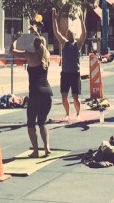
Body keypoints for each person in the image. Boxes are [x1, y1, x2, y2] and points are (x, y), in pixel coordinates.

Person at [12, 26, 53, 157]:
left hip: (35, 93)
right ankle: (46, 147)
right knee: (42, 122)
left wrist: (16, 38)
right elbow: (42, 44)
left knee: (31, 123)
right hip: (48, 93)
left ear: (34, 46)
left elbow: (12, 50)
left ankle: (36, 151)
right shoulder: (47, 56)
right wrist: (36, 32)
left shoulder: (28, 55)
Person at [52, 8, 86, 122]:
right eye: (67, 33)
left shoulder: (78, 44)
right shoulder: (64, 43)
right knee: (64, 96)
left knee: (75, 97)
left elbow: (84, 35)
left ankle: (78, 113)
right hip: (65, 74)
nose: (68, 34)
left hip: (75, 74)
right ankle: (67, 113)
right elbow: (56, 32)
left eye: (70, 33)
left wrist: (81, 20)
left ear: (74, 35)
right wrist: (54, 20)